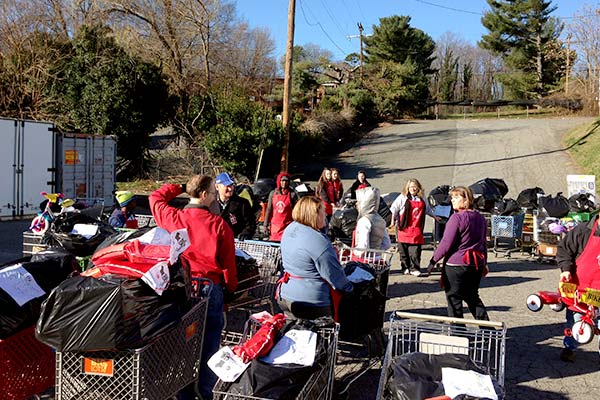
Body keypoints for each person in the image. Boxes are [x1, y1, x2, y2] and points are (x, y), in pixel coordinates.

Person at [149, 175, 237, 400]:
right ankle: (204, 391)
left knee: (183, 341)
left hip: (184, 287)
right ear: (205, 194)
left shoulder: (174, 217)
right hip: (209, 286)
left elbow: (155, 197)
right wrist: (231, 289)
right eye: (212, 191)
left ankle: (182, 390)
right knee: (209, 342)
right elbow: (228, 264)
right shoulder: (219, 225)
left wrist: (178, 187)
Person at [277, 196, 353, 319]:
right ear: (314, 214)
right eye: (323, 211)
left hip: (285, 294)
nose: (326, 215)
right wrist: (350, 289)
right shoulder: (318, 241)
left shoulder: (290, 229)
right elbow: (333, 274)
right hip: (312, 301)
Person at [425, 186, 489, 321]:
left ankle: (458, 333)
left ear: (466, 200)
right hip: (475, 263)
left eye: (456, 197)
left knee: (454, 300)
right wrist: (485, 263)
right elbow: (483, 243)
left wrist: (433, 261)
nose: (452, 200)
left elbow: (446, 243)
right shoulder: (481, 218)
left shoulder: (457, 218)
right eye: (452, 197)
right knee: (473, 297)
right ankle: (489, 332)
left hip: (456, 264)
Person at [556, 213, 600, 362]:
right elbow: (564, 249)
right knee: (575, 320)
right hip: (580, 288)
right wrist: (566, 270)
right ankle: (570, 347)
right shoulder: (582, 231)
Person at [390, 179, 439, 276]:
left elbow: (428, 209)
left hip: (416, 228)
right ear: (407, 188)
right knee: (403, 251)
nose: (413, 188)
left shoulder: (422, 198)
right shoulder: (402, 197)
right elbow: (394, 209)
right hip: (404, 228)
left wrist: (435, 216)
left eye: (415, 186)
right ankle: (405, 267)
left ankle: (414, 268)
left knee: (415, 251)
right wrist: (392, 221)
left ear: (418, 187)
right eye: (411, 186)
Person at [215, 172, 256, 240]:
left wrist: (245, 234)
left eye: (231, 185)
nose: (230, 189)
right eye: (227, 186)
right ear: (217, 187)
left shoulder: (243, 203)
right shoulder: (210, 204)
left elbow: (250, 224)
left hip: (235, 243)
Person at [353, 186, 392, 258]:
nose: (356, 205)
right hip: (377, 259)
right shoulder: (381, 220)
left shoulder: (364, 220)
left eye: (359, 202)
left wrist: (354, 252)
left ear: (364, 203)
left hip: (364, 260)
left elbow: (363, 247)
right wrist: (376, 252)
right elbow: (387, 244)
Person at [264, 172, 298, 241]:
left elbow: (297, 212)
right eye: (282, 181)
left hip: (287, 226)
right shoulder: (273, 193)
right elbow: (269, 209)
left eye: (286, 181)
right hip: (275, 226)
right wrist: (265, 224)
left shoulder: (292, 194)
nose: (284, 183)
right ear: (279, 181)